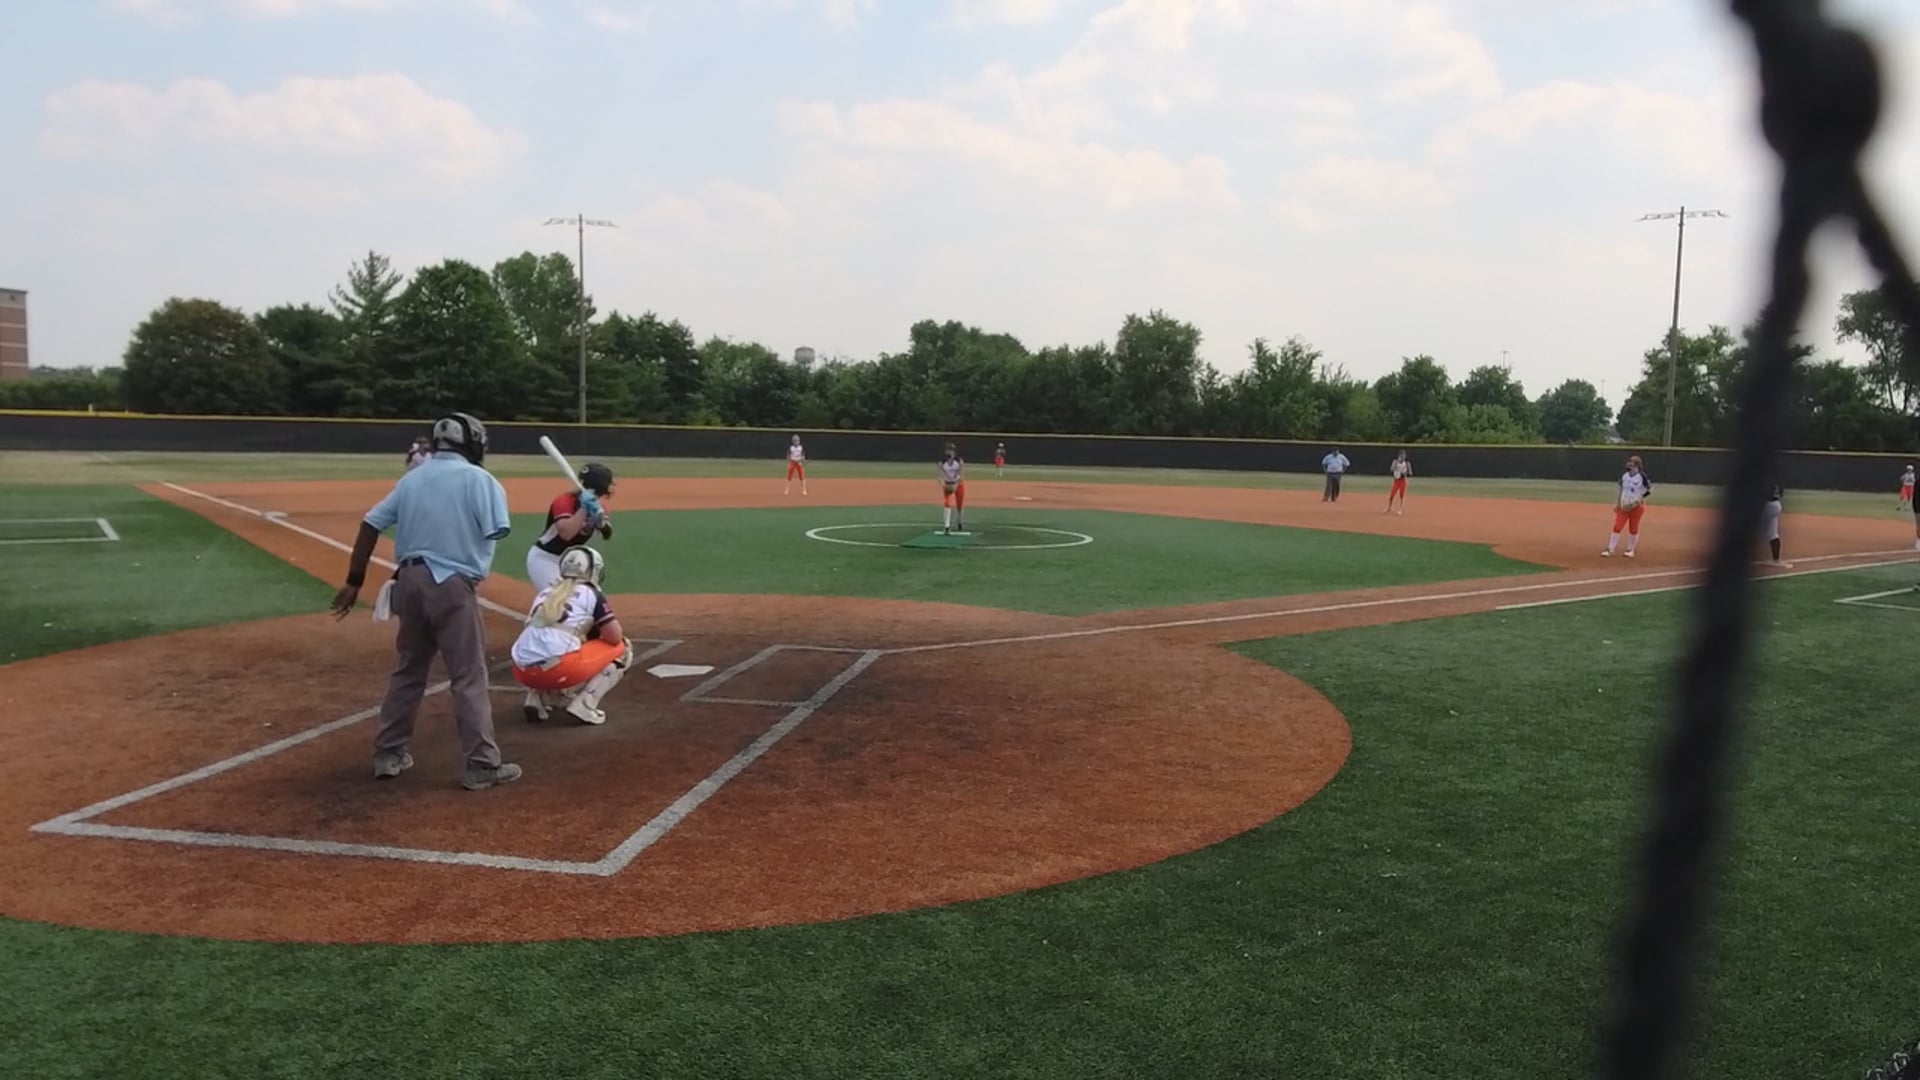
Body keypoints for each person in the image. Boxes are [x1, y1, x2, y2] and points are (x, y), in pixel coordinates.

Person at [330, 411, 520, 791]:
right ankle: (482, 764)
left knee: (409, 670)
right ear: (473, 443)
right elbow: (495, 529)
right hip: (451, 584)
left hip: (408, 582)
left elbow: (370, 523)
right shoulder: (479, 479)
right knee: (468, 675)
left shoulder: (413, 478)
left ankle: (388, 753)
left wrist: (354, 580)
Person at [510, 546, 633, 726]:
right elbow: (614, 636)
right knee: (622, 648)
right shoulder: (590, 593)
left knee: (549, 645)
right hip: (556, 670)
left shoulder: (545, 593)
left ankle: (537, 697)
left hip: (521, 670)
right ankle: (585, 704)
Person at [526, 463, 614, 594]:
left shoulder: (596, 507)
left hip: (570, 562)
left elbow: (607, 534)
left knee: (587, 597)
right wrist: (584, 509)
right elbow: (566, 534)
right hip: (544, 559)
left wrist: (601, 523)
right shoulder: (565, 501)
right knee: (559, 598)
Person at [1603, 454, 1652, 559]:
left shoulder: (1642, 476)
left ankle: (1631, 549)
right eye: (1629, 461)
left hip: (1636, 506)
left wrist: (1638, 500)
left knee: (1633, 528)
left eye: (1631, 462)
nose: (1629, 463)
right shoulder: (1625, 475)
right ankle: (1610, 549)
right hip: (1624, 505)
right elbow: (1621, 489)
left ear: (1637, 464)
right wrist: (1618, 504)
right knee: (1617, 526)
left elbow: (1649, 490)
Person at [1762, 478, 1790, 567]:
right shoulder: (1777, 478)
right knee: (1773, 534)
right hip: (1776, 504)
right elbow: (1781, 493)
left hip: (1767, 505)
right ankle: (1776, 559)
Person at [939, 442, 967, 533]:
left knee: (959, 504)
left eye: (951, 450)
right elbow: (940, 475)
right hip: (948, 483)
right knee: (947, 502)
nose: (949, 452)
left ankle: (959, 521)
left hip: (958, 484)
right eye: (948, 450)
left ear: (954, 452)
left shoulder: (959, 461)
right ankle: (947, 526)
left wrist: (955, 485)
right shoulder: (942, 462)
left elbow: (961, 475)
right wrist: (943, 485)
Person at [1384, 450, 1413, 515]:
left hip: (1402, 481)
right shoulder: (1395, 462)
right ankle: (1389, 508)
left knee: (1401, 495)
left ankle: (1400, 509)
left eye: (1404, 456)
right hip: (1396, 481)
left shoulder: (1407, 463)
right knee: (1392, 495)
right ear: (1399, 456)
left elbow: (1410, 473)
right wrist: (1396, 467)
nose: (1403, 457)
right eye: (1402, 456)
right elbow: (1391, 469)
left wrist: (1405, 473)